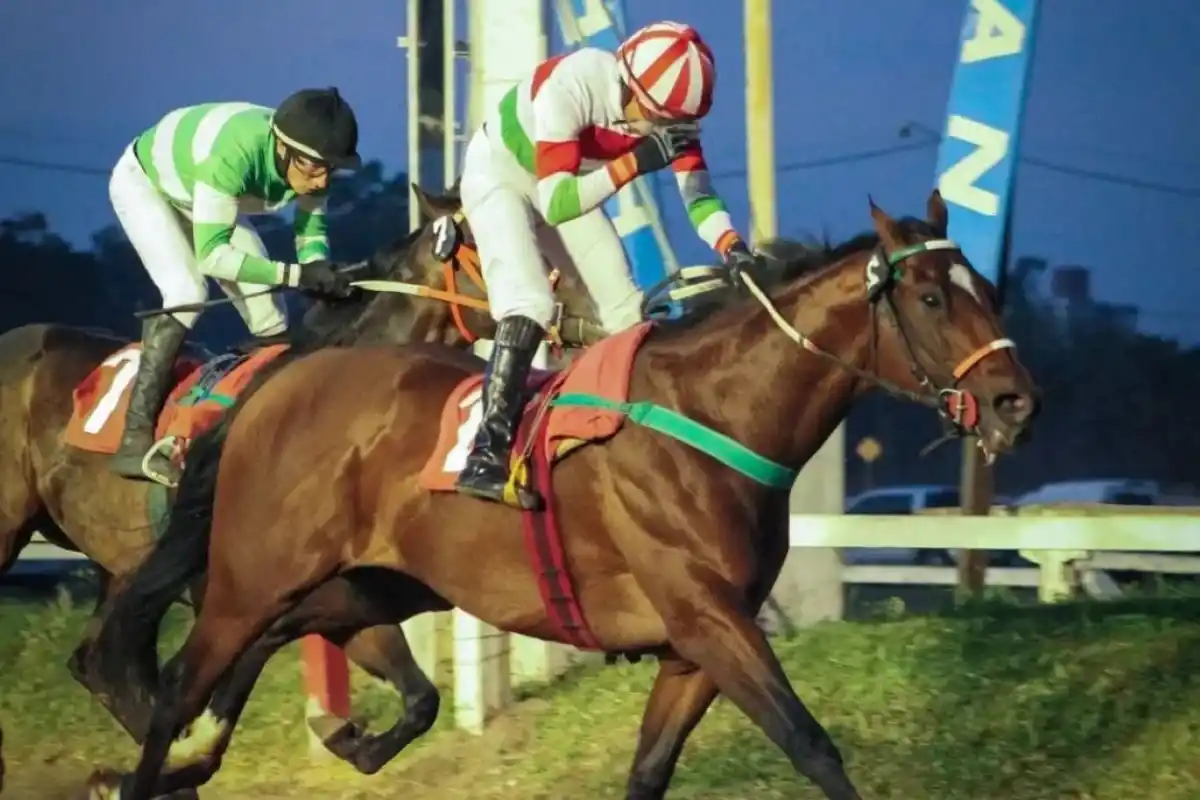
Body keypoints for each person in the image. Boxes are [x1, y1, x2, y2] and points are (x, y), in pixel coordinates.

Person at [455, 20, 759, 506]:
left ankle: (631, 448)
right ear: (636, 92)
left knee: (626, 314)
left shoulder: (671, 113)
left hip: (566, 183)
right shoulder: (572, 84)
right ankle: (484, 455)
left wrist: (733, 248)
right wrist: (635, 163)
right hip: (501, 176)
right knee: (530, 302)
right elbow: (557, 205)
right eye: (661, 120)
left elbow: (698, 197)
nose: (668, 131)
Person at [107, 87, 363, 485]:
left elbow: (310, 230)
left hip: (202, 192)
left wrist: (318, 268)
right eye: (314, 168)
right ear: (282, 148)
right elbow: (212, 257)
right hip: (146, 185)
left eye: (331, 169)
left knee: (270, 317)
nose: (322, 179)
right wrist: (298, 276)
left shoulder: (312, 159)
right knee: (188, 291)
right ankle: (134, 438)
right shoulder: (234, 155)